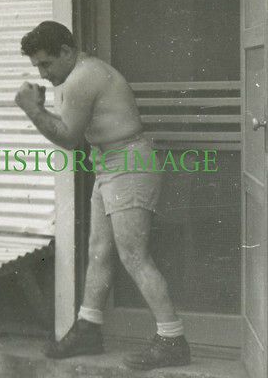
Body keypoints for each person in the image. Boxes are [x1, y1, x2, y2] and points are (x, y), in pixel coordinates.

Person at [15, 20, 191, 370]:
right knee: (99, 252)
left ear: (66, 51)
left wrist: (32, 108)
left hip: (128, 162)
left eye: (46, 63)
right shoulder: (75, 75)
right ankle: (88, 329)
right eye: (37, 66)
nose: (43, 73)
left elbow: (68, 137)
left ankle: (173, 338)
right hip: (111, 162)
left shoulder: (83, 77)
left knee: (134, 256)